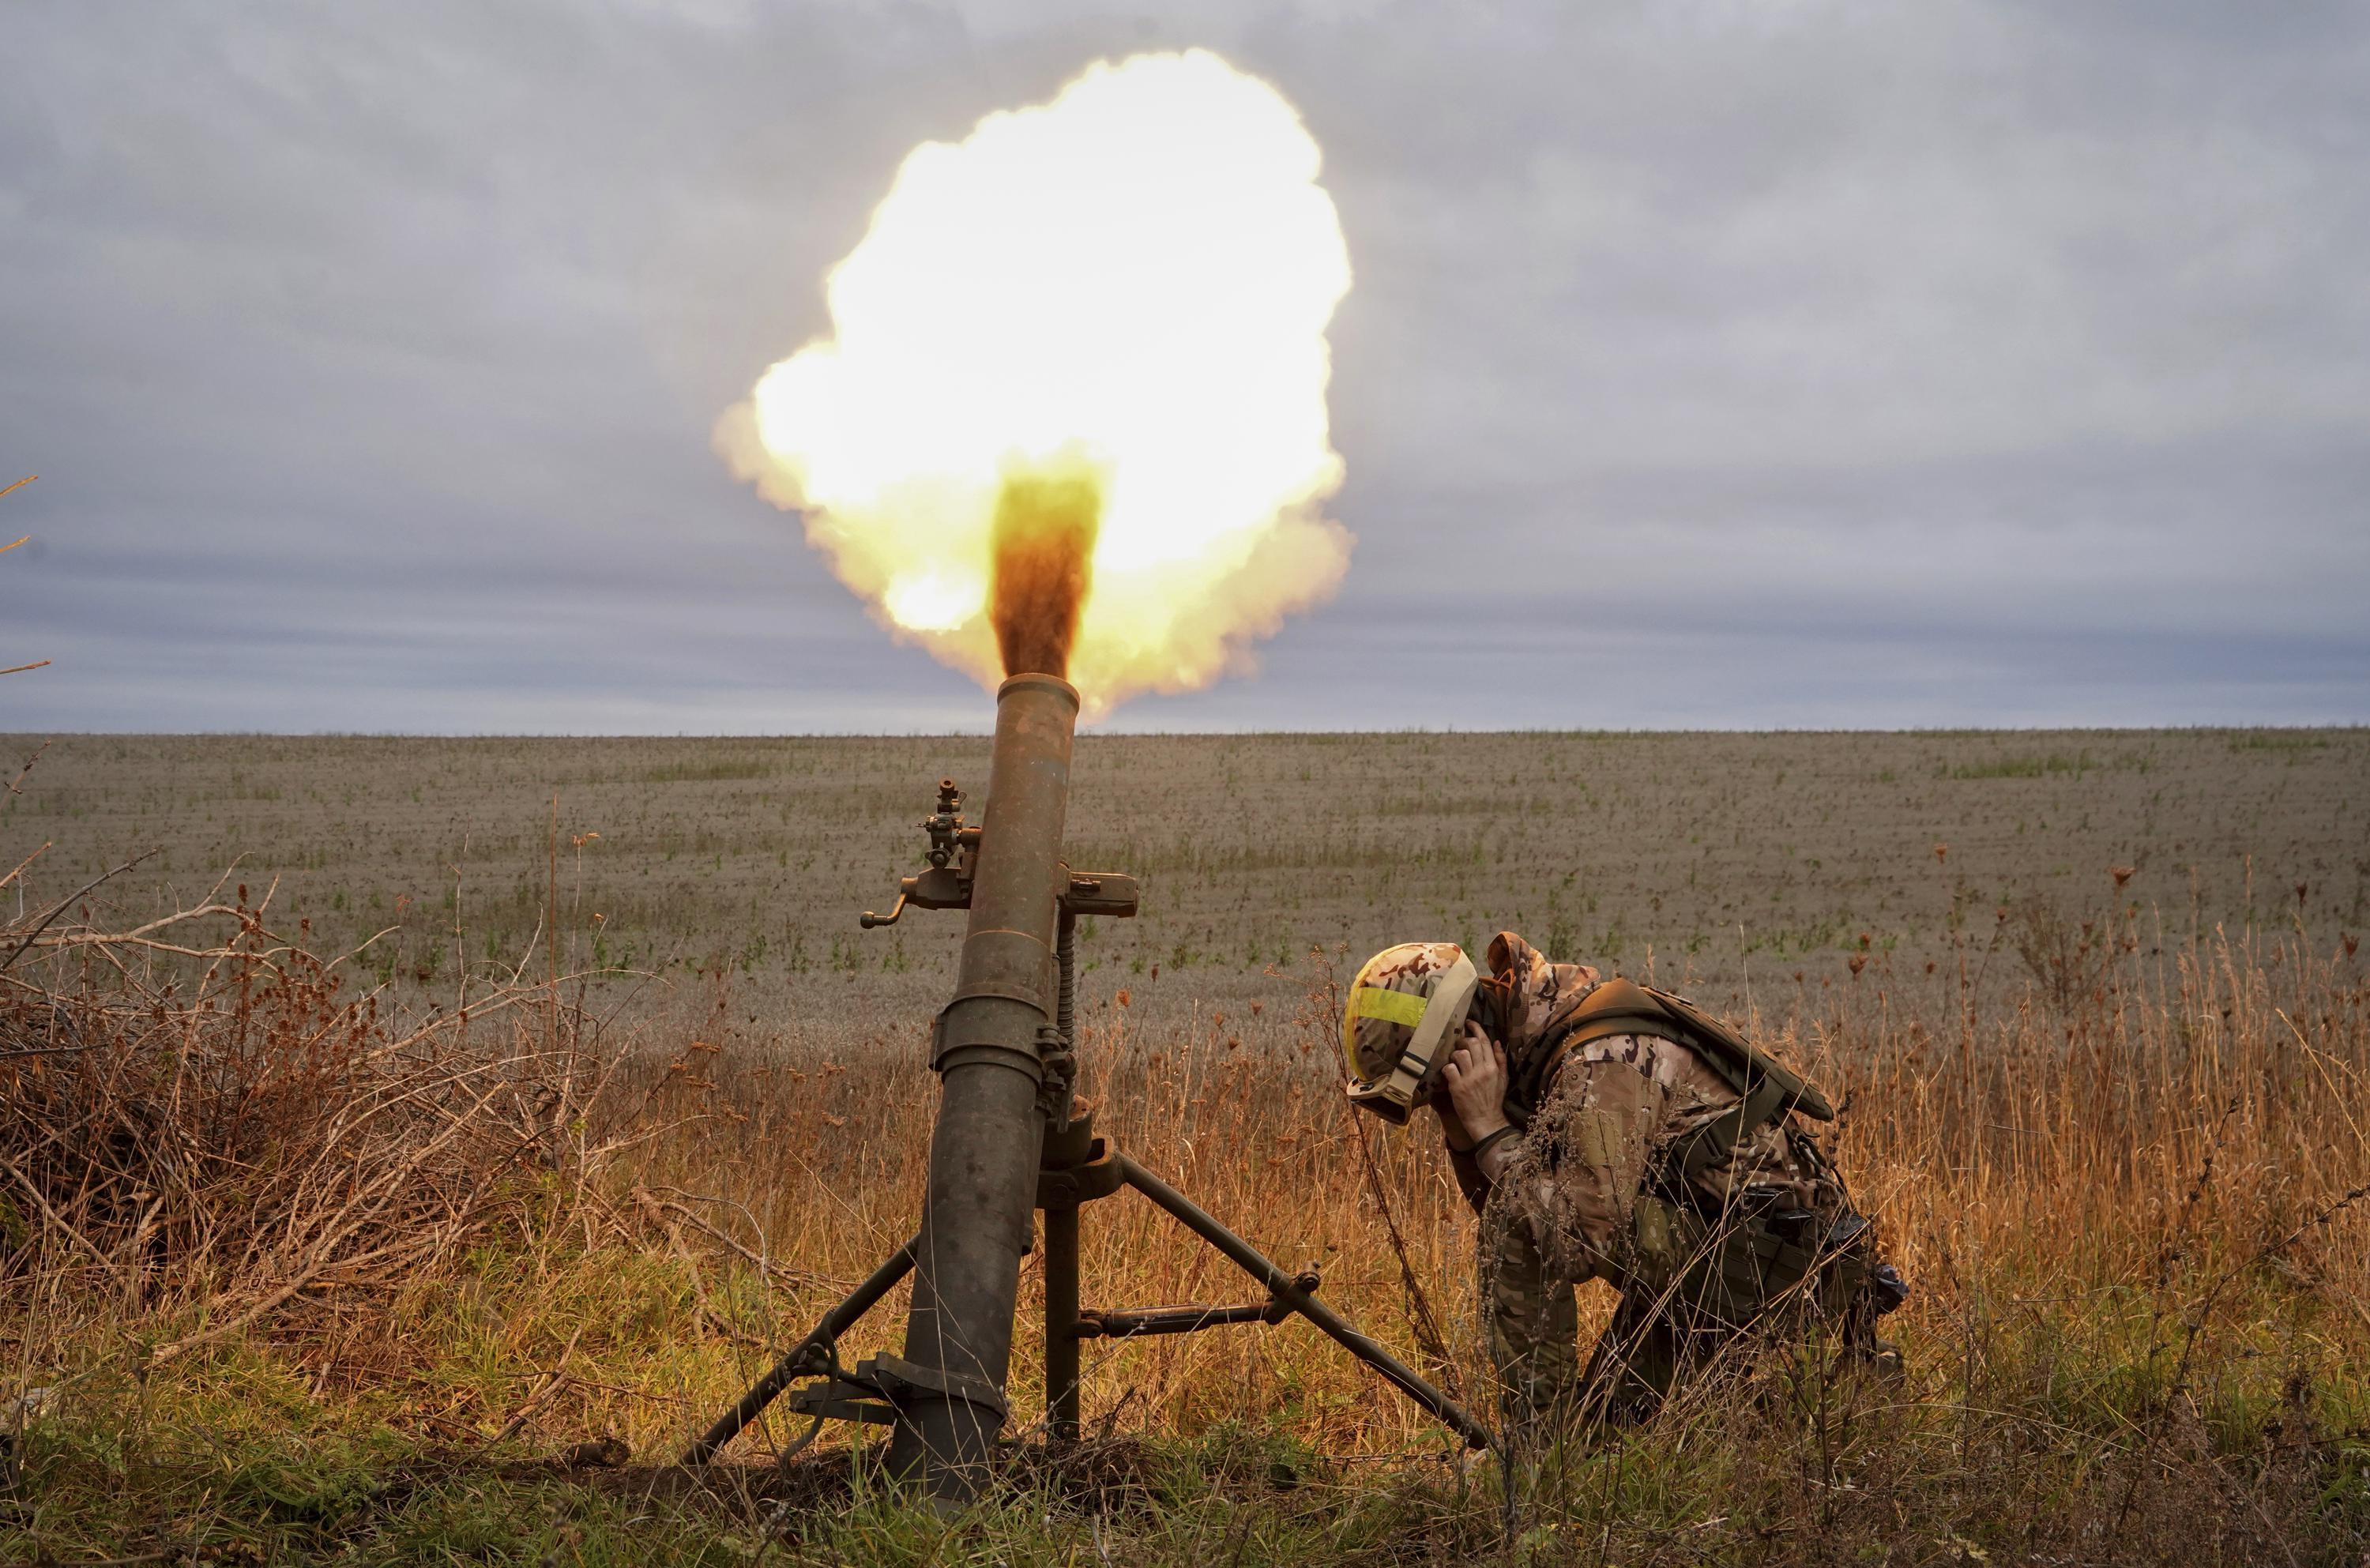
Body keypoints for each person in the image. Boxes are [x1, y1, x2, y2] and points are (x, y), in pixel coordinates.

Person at [1341, 932, 1905, 1440]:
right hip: (1724, 1255)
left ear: (1464, 1038)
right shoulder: (1539, 1039)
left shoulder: (1600, 1058)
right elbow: (1509, 1199)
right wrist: (1460, 1125)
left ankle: (1538, 1456)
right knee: (1611, 1442)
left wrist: (1490, 1130)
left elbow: (1576, 1238)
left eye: (1434, 1085)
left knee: (1524, 1216)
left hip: (1778, 1266)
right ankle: (1822, 1408)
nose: (1438, 1096)